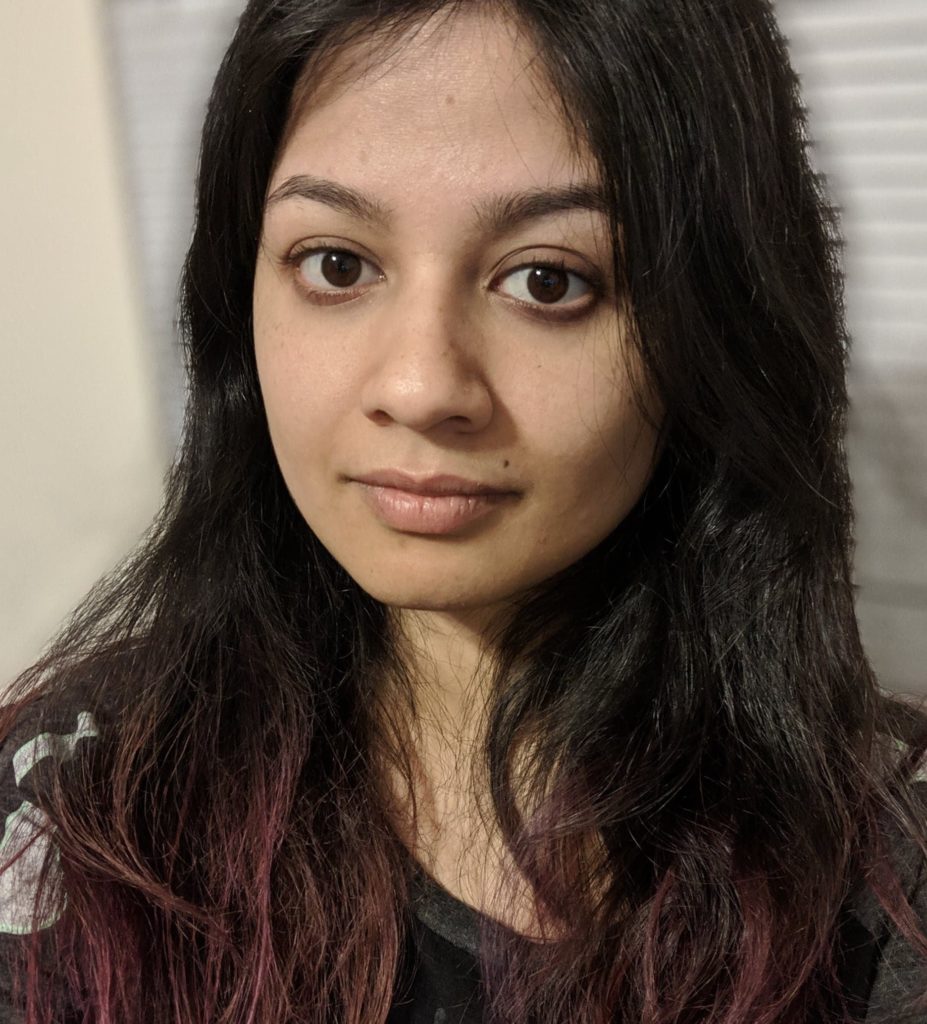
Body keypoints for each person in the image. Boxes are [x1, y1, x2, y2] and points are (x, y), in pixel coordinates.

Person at [1, 0, 926, 1021]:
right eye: (337, 264)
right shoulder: (74, 816)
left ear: (713, 324)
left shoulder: (884, 880)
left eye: (547, 279)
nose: (422, 383)